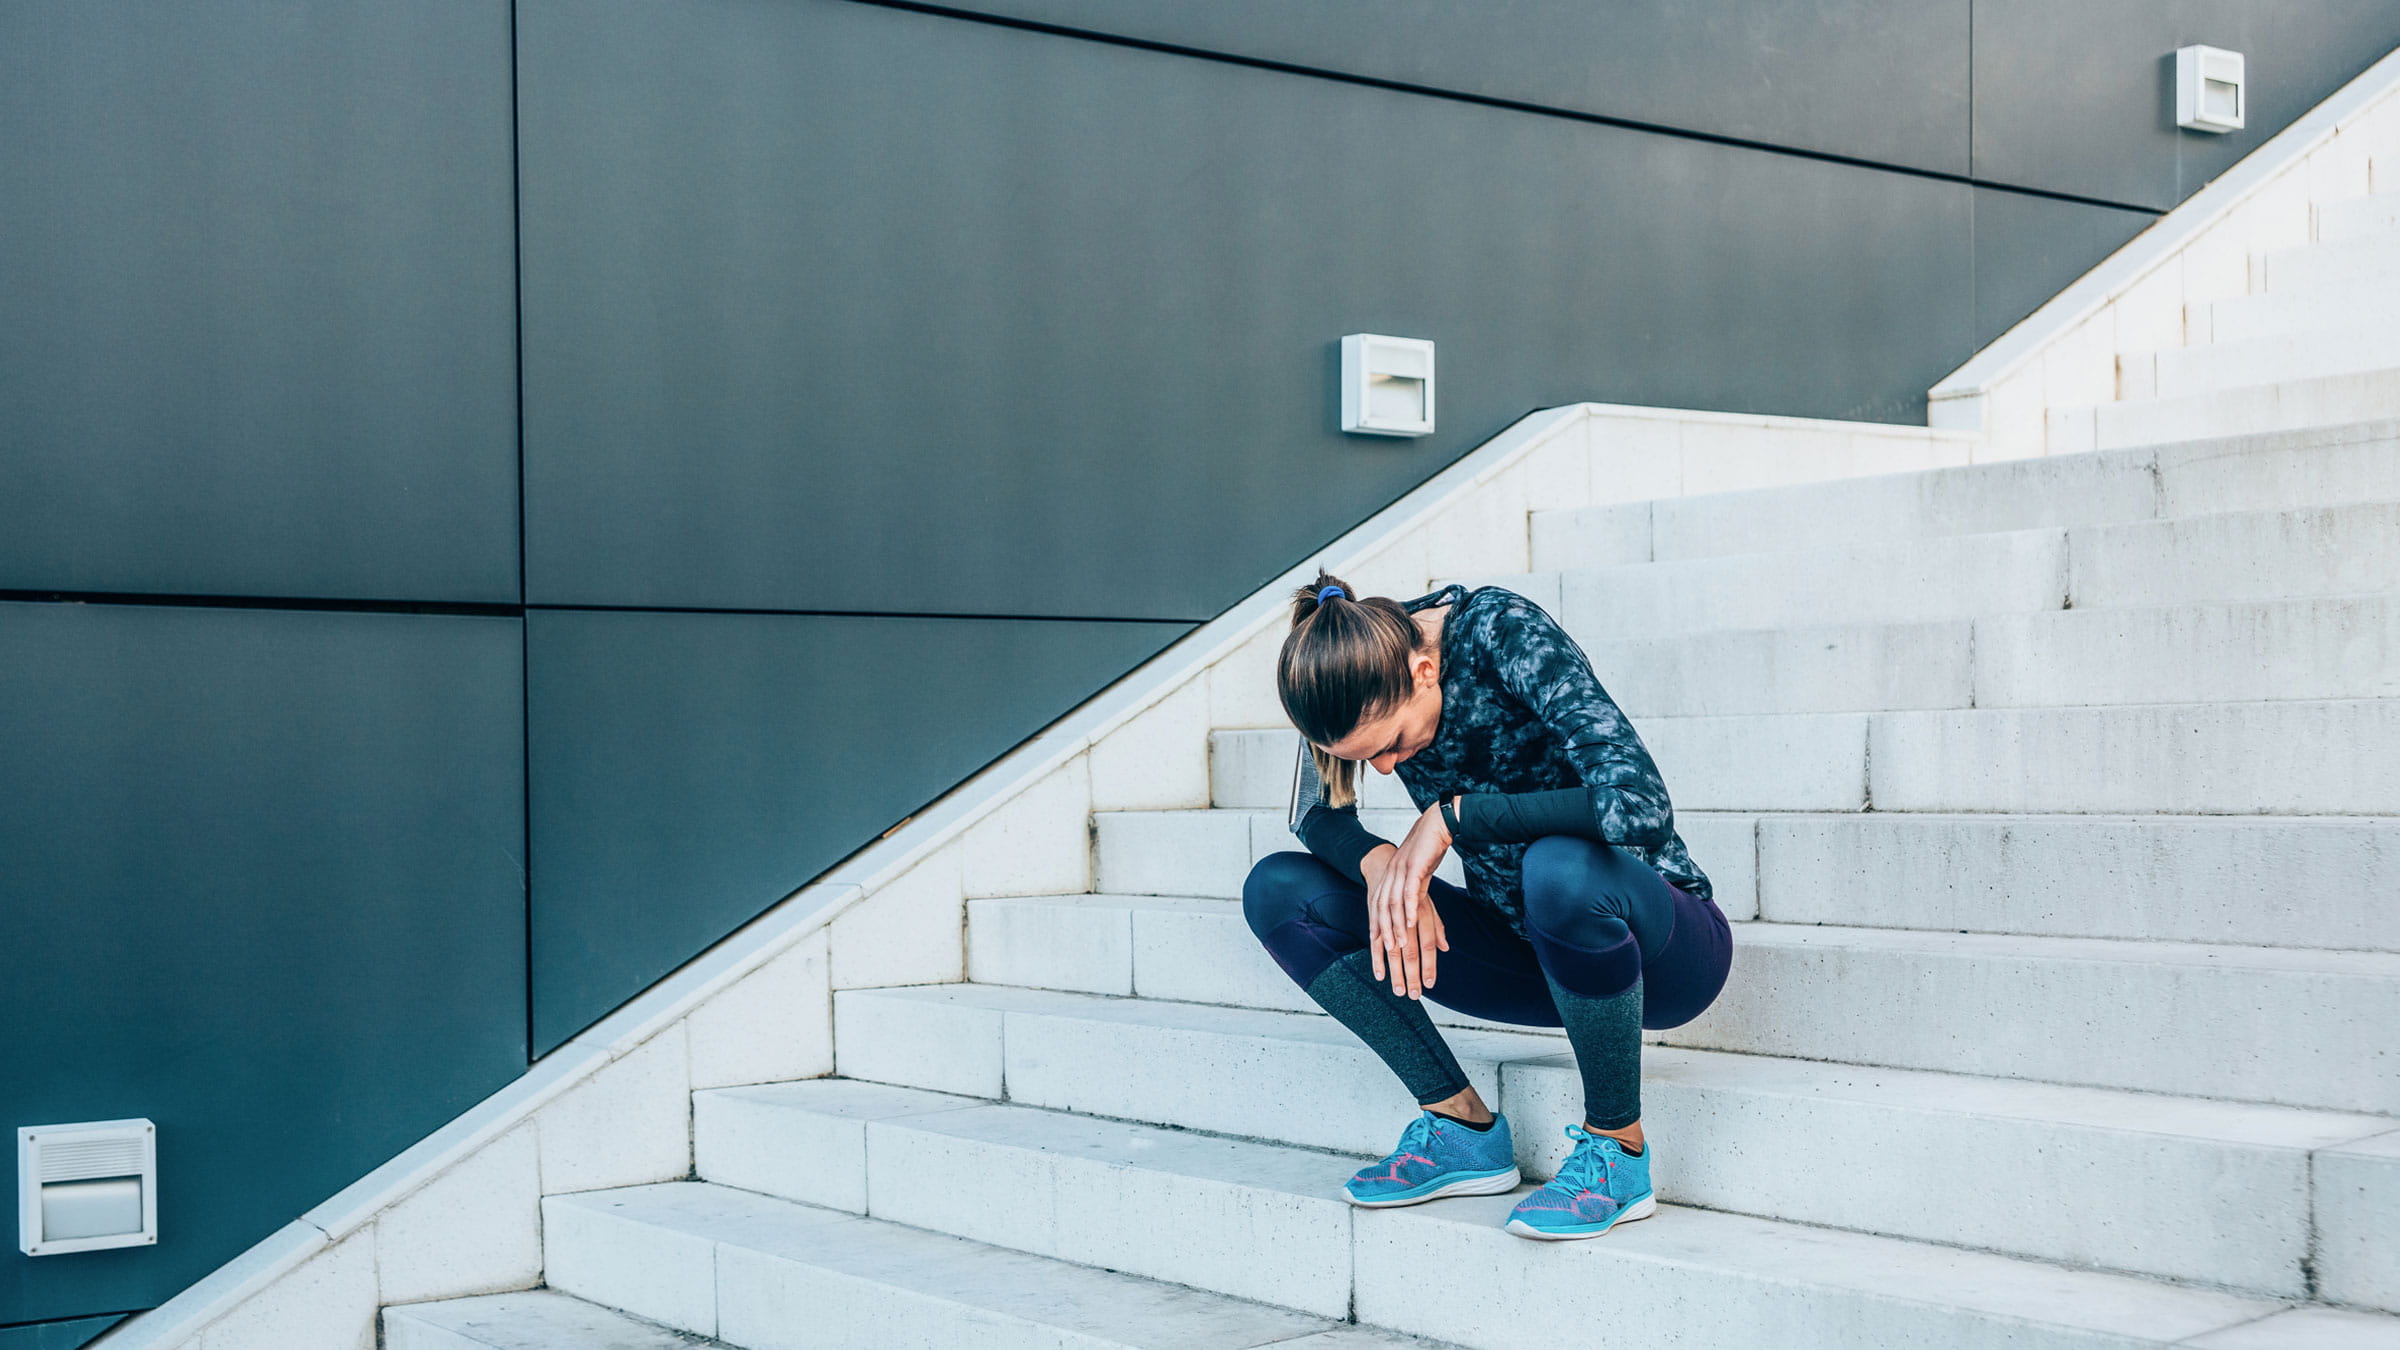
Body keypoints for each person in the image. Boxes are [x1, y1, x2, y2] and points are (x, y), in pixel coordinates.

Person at [1241, 570, 1732, 1240]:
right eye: (1365, 757)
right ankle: (1460, 1128)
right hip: (1524, 951)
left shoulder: (1498, 632)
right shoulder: (1349, 657)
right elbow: (1312, 813)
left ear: (1421, 670)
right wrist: (1380, 862)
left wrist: (1453, 817)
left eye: (1389, 745)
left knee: (1554, 867)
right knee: (1280, 890)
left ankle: (1618, 1151)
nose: (1383, 769)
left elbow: (1636, 804)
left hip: (1657, 949)